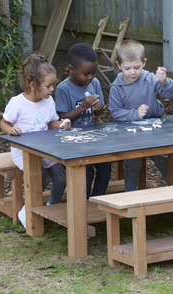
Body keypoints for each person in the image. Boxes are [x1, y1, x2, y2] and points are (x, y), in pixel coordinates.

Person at [0, 54, 71, 228]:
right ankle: (27, 211)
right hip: (23, 151)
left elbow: (50, 122)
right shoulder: (17, 103)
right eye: (49, 85)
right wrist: (11, 130)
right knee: (41, 176)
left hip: (45, 149)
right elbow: (4, 123)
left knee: (61, 178)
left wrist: (62, 124)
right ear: (33, 85)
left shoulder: (48, 101)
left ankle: (51, 207)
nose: (52, 89)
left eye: (53, 85)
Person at [109, 39, 173, 191]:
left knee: (164, 160)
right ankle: (131, 199)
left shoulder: (150, 79)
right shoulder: (116, 87)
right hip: (129, 133)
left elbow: (171, 94)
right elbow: (115, 111)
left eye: (137, 67)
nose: (132, 72)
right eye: (127, 68)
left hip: (154, 128)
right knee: (132, 164)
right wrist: (135, 114)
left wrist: (164, 81)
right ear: (118, 65)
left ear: (144, 63)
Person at [55, 43, 111, 199]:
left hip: (92, 137)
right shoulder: (63, 88)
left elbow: (99, 113)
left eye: (93, 72)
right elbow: (62, 118)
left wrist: (98, 107)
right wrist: (83, 107)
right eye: (86, 74)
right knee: (86, 172)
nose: (90, 77)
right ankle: (81, 204)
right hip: (71, 141)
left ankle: (98, 200)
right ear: (71, 69)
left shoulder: (95, 84)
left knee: (105, 166)